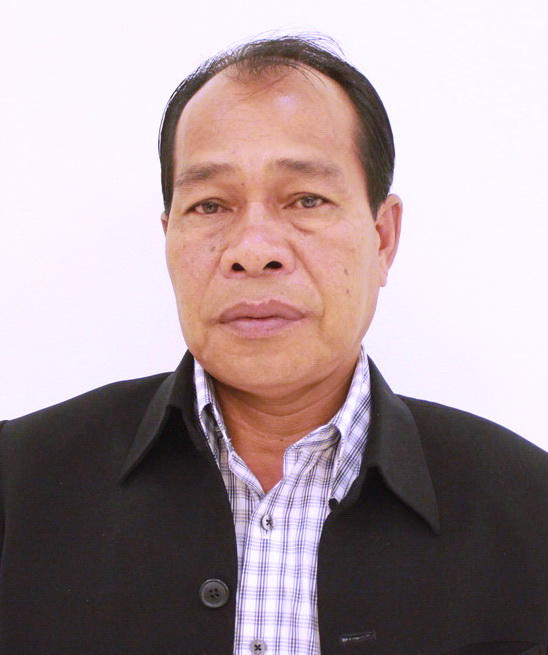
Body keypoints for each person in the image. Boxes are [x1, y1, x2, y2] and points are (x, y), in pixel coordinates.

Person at [0, 35, 546, 655]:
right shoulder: (17, 488)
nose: (253, 250)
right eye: (210, 205)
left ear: (383, 238)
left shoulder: (530, 514)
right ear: (168, 238)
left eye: (307, 199)